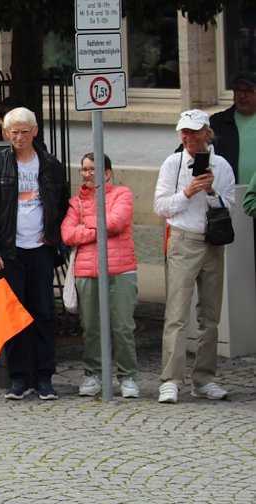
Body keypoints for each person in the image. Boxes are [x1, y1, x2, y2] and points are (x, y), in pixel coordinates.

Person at [0, 107, 69, 401]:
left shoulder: (51, 165)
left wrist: (54, 240)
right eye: (13, 132)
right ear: (6, 133)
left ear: (35, 132)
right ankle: (18, 378)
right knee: (13, 317)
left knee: (43, 314)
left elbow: (62, 207)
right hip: (10, 252)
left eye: (24, 132)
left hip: (40, 250)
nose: (18, 137)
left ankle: (44, 377)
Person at [153, 109, 236, 404]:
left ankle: (204, 379)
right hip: (183, 240)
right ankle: (171, 379)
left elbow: (230, 205)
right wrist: (187, 192)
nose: (188, 138)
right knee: (176, 313)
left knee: (210, 316)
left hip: (212, 242)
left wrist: (211, 189)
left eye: (193, 132)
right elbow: (160, 207)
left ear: (206, 133)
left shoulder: (221, 165)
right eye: (183, 132)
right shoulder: (172, 164)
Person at [61, 153, 139, 398]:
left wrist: (87, 225)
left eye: (92, 169)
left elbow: (116, 222)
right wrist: (97, 228)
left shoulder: (122, 193)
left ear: (107, 173)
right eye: (83, 169)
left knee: (123, 327)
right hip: (87, 270)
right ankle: (92, 374)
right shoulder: (76, 202)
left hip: (121, 268)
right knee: (91, 328)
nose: (86, 174)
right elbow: (67, 234)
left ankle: (127, 377)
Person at [210, 71, 256, 184]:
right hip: (228, 192)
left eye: (248, 90)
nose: (242, 95)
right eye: (238, 90)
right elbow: (190, 148)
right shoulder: (218, 122)